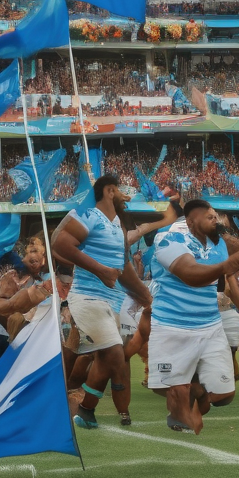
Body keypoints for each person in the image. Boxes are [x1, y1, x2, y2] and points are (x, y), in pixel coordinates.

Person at [52, 175, 153, 430]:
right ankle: (89, 406)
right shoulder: (89, 214)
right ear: (109, 191)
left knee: (103, 358)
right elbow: (61, 242)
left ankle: (82, 408)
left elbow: (123, 267)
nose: (127, 197)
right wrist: (100, 271)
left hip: (113, 302)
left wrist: (144, 295)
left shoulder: (117, 226)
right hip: (88, 297)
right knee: (115, 355)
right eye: (122, 191)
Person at [148, 200, 239, 433]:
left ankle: (191, 386)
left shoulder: (218, 247)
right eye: (210, 217)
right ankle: (187, 390)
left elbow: (229, 282)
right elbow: (190, 274)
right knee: (166, 386)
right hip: (173, 325)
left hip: (210, 325)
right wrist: (228, 264)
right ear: (190, 223)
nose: (216, 221)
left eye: (216, 217)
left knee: (224, 395)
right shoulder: (169, 239)